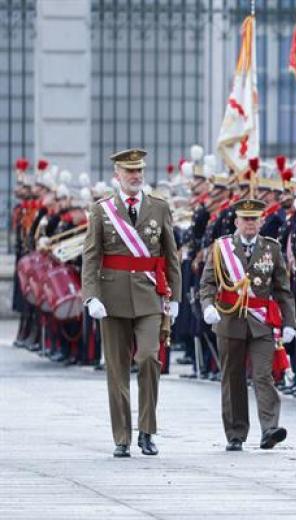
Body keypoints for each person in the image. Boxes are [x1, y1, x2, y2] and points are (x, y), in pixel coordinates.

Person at [81, 148, 182, 457]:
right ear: (118, 176)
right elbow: (91, 256)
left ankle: (148, 430)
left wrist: (175, 297)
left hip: (150, 296)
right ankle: (122, 436)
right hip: (111, 299)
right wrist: (91, 296)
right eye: (130, 172)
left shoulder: (159, 208)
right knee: (117, 368)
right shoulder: (102, 210)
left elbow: (170, 255)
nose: (136, 176)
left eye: (139, 171)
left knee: (150, 358)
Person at [199, 198, 296, 451]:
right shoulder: (221, 248)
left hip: (261, 323)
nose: (250, 224)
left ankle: (270, 429)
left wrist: (289, 323)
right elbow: (208, 283)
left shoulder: (271, 248)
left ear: (261, 221)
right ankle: (236, 433)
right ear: (236, 222)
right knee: (232, 378)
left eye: (255, 219)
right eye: (246, 219)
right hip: (230, 320)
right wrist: (208, 306)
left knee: (263, 375)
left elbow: (283, 290)